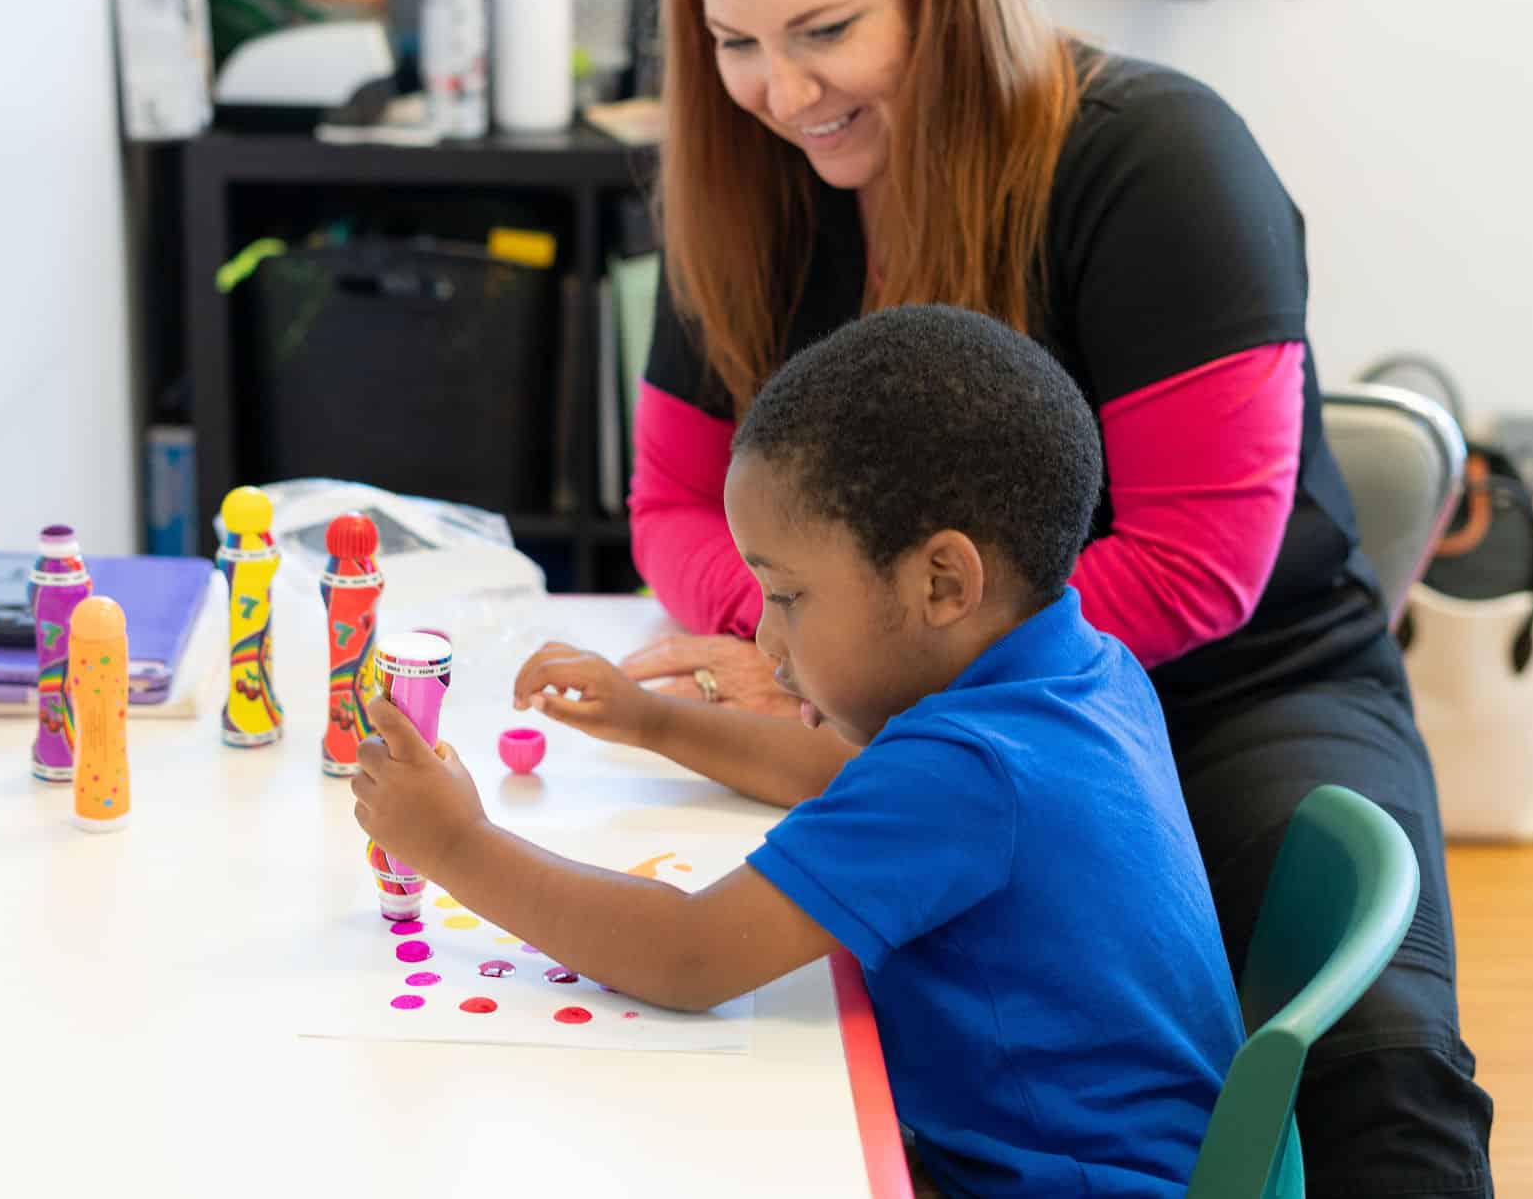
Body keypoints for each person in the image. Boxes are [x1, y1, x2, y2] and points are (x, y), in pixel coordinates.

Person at [617, 0, 1494, 1195]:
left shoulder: (1160, 162)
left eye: (827, 30)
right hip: (918, 691)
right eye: (734, 41)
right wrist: (803, 638)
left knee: (1376, 1061)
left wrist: (859, 666)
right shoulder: (747, 192)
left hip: (1235, 686)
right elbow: (670, 500)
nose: (780, 94)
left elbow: (1197, 570)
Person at [354, 305, 1243, 1198]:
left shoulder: (972, 771)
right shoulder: (1078, 671)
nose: (769, 643)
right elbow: (851, 778)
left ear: (943, 582)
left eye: (788, 595)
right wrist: (654, 721)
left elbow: (690, 955)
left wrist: (453, 843)